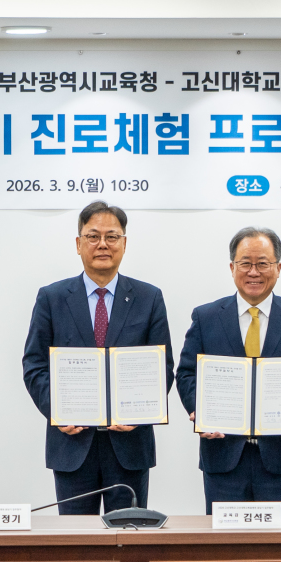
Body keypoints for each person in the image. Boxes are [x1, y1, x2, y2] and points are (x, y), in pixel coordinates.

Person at [22, 201, 174, 514]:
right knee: (77, 539)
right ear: (78, 244)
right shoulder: (52, 298)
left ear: (124, 243)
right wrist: (58, 410)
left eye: (112, 236)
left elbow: (163, 368)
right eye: (93, 236)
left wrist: (139, 414)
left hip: (130, 445)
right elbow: (34, 365)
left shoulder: (149, 298)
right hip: (72, 444)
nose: (102, 244)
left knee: (128, 533)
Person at [176, 227, 281, 514]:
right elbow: (186, 373)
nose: (254, 272)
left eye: (263, 263)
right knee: (225, 540)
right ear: (232, 267)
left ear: (278, 268)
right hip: (223, 454)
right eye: (245, 263)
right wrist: (200, 411)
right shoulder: (206, 317)